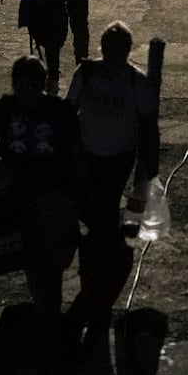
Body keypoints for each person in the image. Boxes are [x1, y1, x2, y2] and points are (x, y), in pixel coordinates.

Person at [0, 56, 86, 352]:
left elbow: (76, 153)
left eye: (32, 85)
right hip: (20, 198)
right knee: (41, 267)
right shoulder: (5, 109)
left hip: (55, 194)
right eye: (19, 86)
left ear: (42, 83)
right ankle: (47, 330)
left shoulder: (59, 111)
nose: (26, 92)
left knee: (55, 262)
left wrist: (77, 192)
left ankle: (46, 318)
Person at [65, 22, 160, 347]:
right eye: (109, 49)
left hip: (118, 162)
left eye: (120, 51)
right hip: (86, 160)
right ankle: (93, 293)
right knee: (95, 226)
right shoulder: (87, 73)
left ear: (127, 52)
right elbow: (68, 114)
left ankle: (94, 298)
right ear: (103, 49)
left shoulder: (136, 82)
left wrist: (147, 171)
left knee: (103, 226)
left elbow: (148, 127)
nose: (113, 56)